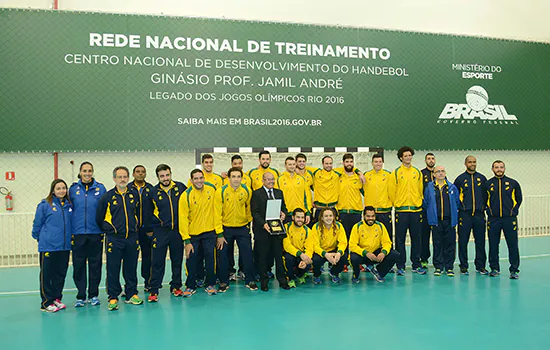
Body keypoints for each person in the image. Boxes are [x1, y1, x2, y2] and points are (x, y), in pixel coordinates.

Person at [96, 166, 144, 311]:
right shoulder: (108, 197)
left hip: (132, 238)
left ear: (128, 178)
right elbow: (99, 218)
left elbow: (138, 214)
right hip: (114, 239)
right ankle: (113, 297)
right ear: (114, 179)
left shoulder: (133, 195)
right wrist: (111, 231)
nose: (122, 179)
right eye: (120, 177)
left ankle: (131, 294)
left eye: (125, 177)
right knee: (113, 268)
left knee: (131, 267)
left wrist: (135, 229)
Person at [147, 164, 187, 302]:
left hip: (177, 231)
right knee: (157, 262)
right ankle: (154, 289)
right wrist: (151, 230)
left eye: (167, 175)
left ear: (171, 174)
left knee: (177, 260)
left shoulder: (180, 187)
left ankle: (176, 286)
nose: (165, 178)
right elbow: (148, 213)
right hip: (160, 231)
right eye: (162, 176)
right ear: (158, 177)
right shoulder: (153, 192)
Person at [68, 161, 106, 307]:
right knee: (79, 265)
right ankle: (81, 296)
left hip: (95, 233)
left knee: (95, 265)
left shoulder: (100, 188)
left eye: (90, 170)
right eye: (85, 171)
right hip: (78, 234)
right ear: (80, 172)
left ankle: (93, 295)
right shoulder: (72, 190)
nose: (87, 173)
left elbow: (105, 209)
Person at [32, 179, 73, 313]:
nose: (61, 191)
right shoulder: (45, 205)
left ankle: (56, 298)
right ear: (53, 190)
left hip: (64, 246)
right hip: (49, 246)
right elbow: (37, 224)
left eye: (64, 188)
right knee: (47, 275)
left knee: (60, 274)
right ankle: (46, 302)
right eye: (58, 188)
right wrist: (42, 238)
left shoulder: (68, 205)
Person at [179, 169, 222, 296]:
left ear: (204, 178)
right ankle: (190, 285)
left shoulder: (212, 190)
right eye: (196, 178)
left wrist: (219, 233)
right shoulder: (186, 196)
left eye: (201, 178)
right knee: (191, 259)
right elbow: (182, 218)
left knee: (210, 259)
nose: (199, 181)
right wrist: (186, 240)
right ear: (191, 180)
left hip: (209, 233)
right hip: (193, 235)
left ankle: (210, 284)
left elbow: (216, 211)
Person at [215, 167, 258, 291]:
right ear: (228, 178)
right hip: (225, 229)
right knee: (222, 255)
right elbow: (217, 213)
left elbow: (249, 209)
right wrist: (219, 233)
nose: (236, 179)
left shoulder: (247, 190)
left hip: (242, 228)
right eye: (233, 177)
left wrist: (247, 223)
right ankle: (223, 282)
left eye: (238, 177)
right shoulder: (221, 191)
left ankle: (250, 280)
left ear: (242, 178)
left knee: (247, 255)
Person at [250, 172, 289, 291]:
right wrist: (263, 224)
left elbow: (284, 208)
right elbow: (254, 212)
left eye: (272, 179)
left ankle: (282, 280)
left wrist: (284, 214)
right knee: (263, 257)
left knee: (278, 256)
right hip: (263, 231)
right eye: (268, 180)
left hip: (277, 231)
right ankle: (264, 281)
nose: (271, 181)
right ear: (263, 181)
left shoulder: (279, 192)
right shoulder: (256, 194)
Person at [485, 160, 522, 279]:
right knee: (493, 244)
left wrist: (513, 211)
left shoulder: (513, 183)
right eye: (496, 167)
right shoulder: (488, 184)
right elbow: (484, 200)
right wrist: (489, 212)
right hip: (493, 220)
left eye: (501, 167)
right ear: (492, 169)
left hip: (509, 219)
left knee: (512, 244)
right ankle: (494, 268)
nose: (499, 169)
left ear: (504, 169)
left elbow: (518, 199)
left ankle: (514, 270)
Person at [392, 146, 426, 275]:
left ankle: (416, 264)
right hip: (401, 211)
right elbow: (392, 191)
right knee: (400, 239)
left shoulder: (417, 172)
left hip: (416, 211)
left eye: (409, 155)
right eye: (405, 156)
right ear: (401, 158)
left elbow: (420, 190)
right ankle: (400, 265)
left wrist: (418, 203)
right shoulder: (395, 173)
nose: (408, 157)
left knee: (416, 238)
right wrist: (398, 204)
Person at [453, 156, 488, 275]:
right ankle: (463, 266)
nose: (472, 164)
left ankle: (481, 266)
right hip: (465, 215)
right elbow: (455, 197)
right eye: (470, 162)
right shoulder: (460, 179)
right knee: (463, 241)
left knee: (481, 241)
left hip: (479, 215)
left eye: (474, 162)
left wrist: (483, 208)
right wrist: (461, 208)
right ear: (465, 164)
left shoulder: (482, 179)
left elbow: (486, 195)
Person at [423, 166, 460, 276]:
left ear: (445, 173)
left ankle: (449, 267)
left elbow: (457, 202)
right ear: (433, 174)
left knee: (450, 245)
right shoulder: (429, 188)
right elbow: (426, 203)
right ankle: (438, 267)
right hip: (436, 221)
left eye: (442, 171)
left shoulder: (452, 187)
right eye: (438, 171)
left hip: (449, 221)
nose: (440, 173)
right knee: (437, 244)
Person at [349, 206, 399, 283]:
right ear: (363, 216)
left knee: (395, 254)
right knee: (353, 258)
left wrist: (383, 252)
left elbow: (387, 242)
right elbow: (352, 246)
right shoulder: (357, 227)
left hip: (376, 254)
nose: (370, 218)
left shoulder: (380, 226)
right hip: (363, 254)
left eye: (372, 216)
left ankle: (379, 273)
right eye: (368, 216)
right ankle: (356, 275)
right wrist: (365, 253)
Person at [128, 165, 155, 291]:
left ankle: (148, 282)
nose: (140, 174)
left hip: (147, 230)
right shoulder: (127, 189)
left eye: (143, 172)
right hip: (132, 231)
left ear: (145, 174)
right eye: (137, 172)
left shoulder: (151, 189)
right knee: (130, 259)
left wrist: (151, 227)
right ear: (133, 174)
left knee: (148, 257)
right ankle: (129, 286)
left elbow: (154, 210)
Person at [335, 153, 364, 272]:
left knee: (357, 239)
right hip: (342, 212)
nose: (349, 164)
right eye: (347, 162)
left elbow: (365, 192)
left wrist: (359, 172)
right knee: (343, 239)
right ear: (343, 163)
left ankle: (358, 262)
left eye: (351, 162)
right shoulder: (338, 176)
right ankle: (344, 263)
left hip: (356, 212)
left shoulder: (358, 178)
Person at [310, 208, 348, 284]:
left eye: (330, 215)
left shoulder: (339, 226)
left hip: (333, 250)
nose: (328, 218)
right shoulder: (316, 227)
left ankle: (334, 272)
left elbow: (343, 242)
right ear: (322, 218)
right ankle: (316, 275)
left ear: (334, 217)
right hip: (321, 251)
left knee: (344, 257)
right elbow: (315, 245)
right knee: (316, 260)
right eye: (326, 216)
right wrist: (325, 254)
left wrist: (339, 253)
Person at [363, 154, 394, 243]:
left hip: (385, 211)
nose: (378, 164)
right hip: (371, 213)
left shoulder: (388, 175)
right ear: (372, 163)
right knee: (370, 238)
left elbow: (392, 190)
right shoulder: (366, 175)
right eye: (376, 162)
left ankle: (388, 256)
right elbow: (362, 189)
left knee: (387, 237)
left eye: (380, 162)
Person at [282, 208, 313, 287]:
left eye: (302, 217)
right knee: (289, 259)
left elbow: (309, 247)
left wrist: (306, 258)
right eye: (298, 217)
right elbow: (287, 245)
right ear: (293, 218)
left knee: (308, 261)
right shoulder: (286, 227)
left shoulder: (307, 230)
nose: (300, 220)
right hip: (290, 253)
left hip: (301, 254)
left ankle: (300, 275)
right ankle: (291, 278)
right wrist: (300, 254)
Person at [276, 156, 312, 224]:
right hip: (285, 214)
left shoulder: (301, 179)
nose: (292, 166)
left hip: (299, 214)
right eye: (289, 164)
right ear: (285, 165)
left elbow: (307, 197)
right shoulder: (279, 179)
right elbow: (276, 197)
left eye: (293, 164)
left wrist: (307, 213)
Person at [312, 156, 341, 223]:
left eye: (330, 163)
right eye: (326, 163)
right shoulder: (316, 172)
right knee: (318, 230)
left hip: (332, 208)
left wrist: (359, 173)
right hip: (319, 208)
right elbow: (302, 168)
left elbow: (352, 168)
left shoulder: (336, 173)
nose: (329, 165)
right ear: (322, 164)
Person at [420, 153, 436, 268]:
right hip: (425, 211)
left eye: (432, 158)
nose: (431, 160)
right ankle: (424, 259)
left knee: (438, 237)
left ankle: (439, 260)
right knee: (424, 236)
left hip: (437, 212)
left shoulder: (440, 174)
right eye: (429, 159)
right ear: (425, 160)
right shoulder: (421, 174)